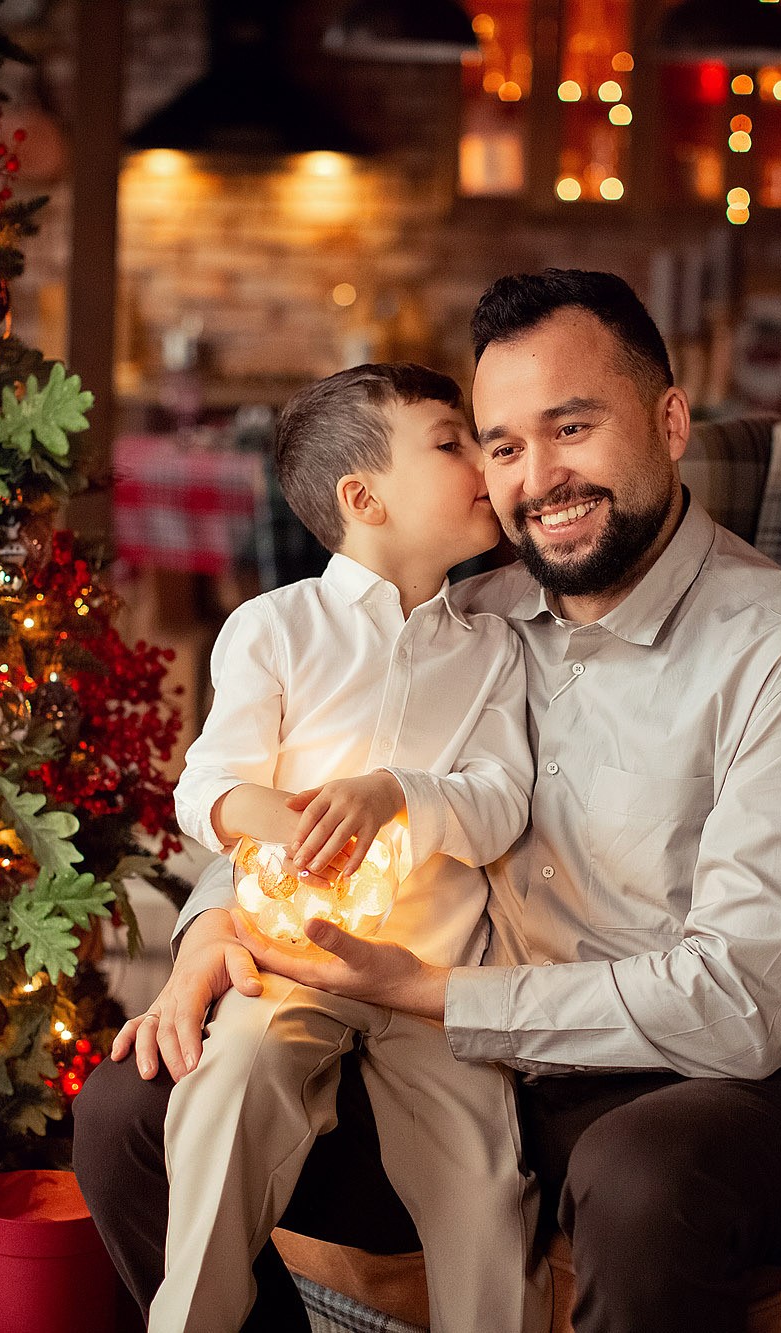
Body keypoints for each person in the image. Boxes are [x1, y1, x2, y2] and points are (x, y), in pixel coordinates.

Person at [74, 270, 781, 1333]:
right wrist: (208, 926)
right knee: (128, 1110)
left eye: (573, 427)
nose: (534, 477)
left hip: (698, 1078)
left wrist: (439, 994)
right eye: (497, 444)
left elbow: (741, 1005)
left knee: (641, 1183)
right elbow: (307, 790)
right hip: (465, 1052)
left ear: (669, 420)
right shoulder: (468, 615)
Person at [128, 361, 549, 1333]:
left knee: (485, 1193)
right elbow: (205, 786)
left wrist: (393, 797)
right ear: (362, 498)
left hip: (428, 981)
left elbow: (497, 806)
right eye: (451, 443)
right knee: (225, 1087)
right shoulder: (273, 630)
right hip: (290, 961)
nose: (483, 459)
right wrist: (280, 823)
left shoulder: (492, 649)